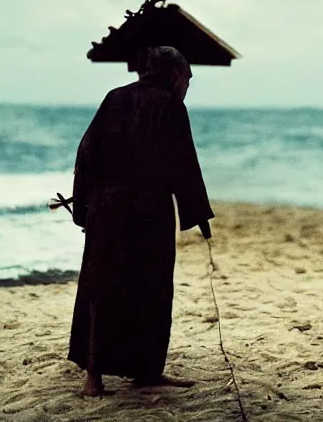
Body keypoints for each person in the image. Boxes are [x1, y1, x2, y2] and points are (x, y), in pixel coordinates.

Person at [66, 45, 214, 397]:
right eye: (188, 79)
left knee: (101, 288)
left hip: (107, 208)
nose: (188, 86)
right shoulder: (170, 106)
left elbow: (86, 151)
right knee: (151, 288)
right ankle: (140, 371)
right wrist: (199, 213)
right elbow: (184, 165)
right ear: (176, 75)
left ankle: (101, 378)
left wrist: (83, 208)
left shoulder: (113, 98)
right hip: (149, 210)